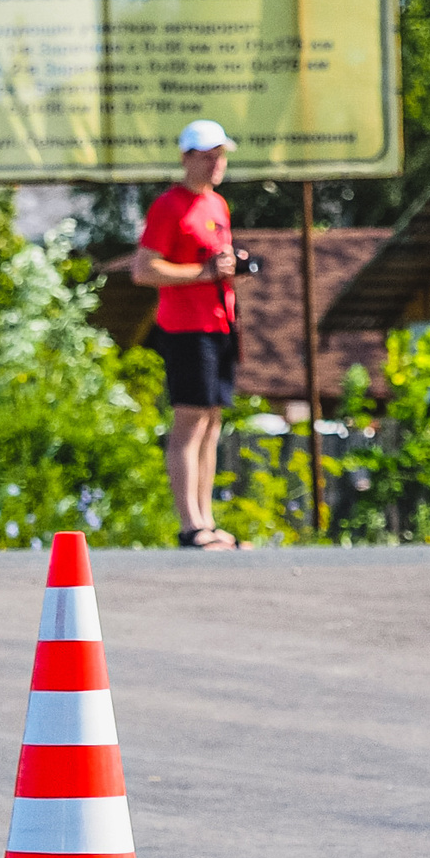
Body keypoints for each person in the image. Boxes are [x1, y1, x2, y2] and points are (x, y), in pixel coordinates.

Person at [134, 119, 243, 548]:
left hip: (220, 322)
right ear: (186, 158)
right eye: (208, 154)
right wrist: (203, 272)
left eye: (221, 154)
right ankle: (190, 525)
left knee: (213, 422)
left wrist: (232, 269)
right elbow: (144, 269)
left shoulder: (217, 205)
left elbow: (217, 263)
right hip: (185, 328)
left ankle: (207, 520)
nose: (217, 162)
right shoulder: (169, 206)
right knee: (189, 423)